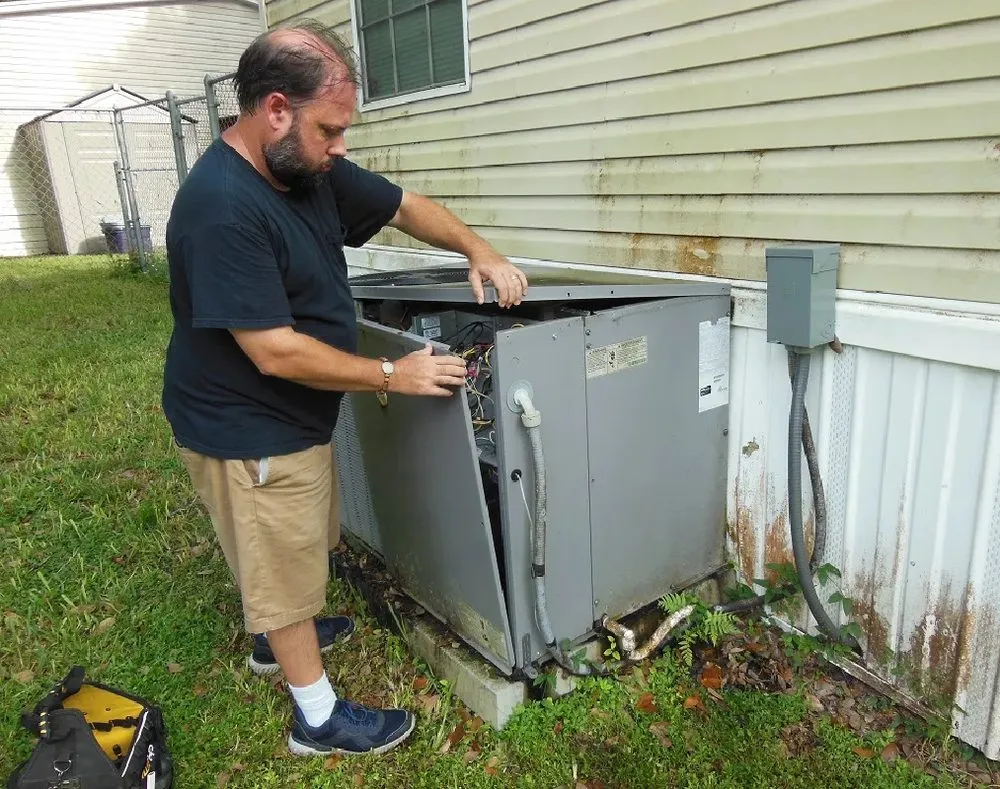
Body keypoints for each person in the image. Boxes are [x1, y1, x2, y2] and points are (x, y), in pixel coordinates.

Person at [161, 20, 528, 758]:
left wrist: (480, 250)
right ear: (273, 109)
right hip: (247, 422)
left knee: (299, 542)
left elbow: (404, 205)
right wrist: (391, 373)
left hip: (292, 414)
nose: (341, 147)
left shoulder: (306, 167)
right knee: (281, 556)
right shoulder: (222, 206)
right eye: (330, 129)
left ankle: (280, 636)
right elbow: (272, 351)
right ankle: (317, 716)